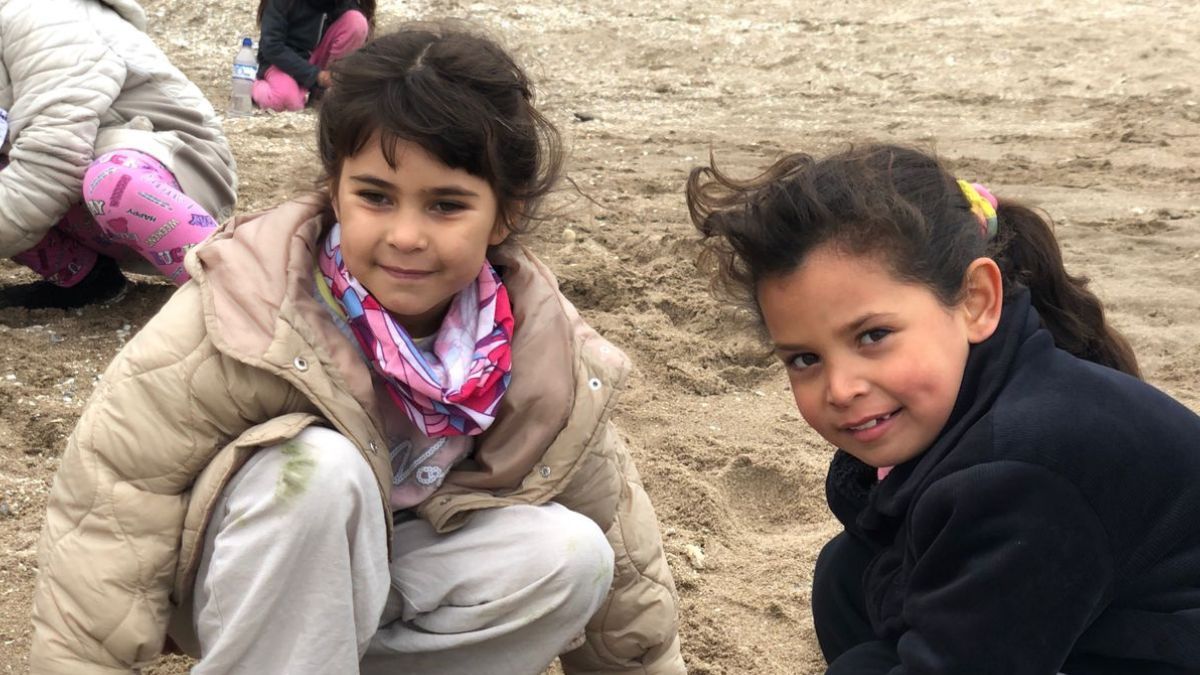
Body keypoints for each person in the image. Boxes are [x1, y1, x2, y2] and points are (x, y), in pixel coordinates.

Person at [30, 22, 685, 675]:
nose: (405, 234)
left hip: (396, 581)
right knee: (317, 472)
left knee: (574, 554)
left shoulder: (538, 342)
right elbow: (114, 502)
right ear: (335, 188)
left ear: (504, 215)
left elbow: (621, 550)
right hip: (246, 582)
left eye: (446, 205)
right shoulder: (249, 302)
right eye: (375, 196)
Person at [687, 143, 1200, 674]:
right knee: (848, 575)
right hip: (1103, 607)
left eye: (873, 335)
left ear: (976, 301)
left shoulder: (1022, 469)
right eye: (805, 358)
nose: (840, 388)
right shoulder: (982, 392)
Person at [0, 0, 238, 309]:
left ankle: (237, 292)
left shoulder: (40, 14)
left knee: (114, 181)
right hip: (86, 171)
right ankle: (86, 278)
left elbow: (54, 156)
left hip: (175, 166)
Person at [251, 0, 372, 112]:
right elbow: (272, 46)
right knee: (287, 102)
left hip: (318, 58)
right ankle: (250, 84)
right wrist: (316, 75)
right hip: (282, 63)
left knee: (356, 22)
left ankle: (330, 89)